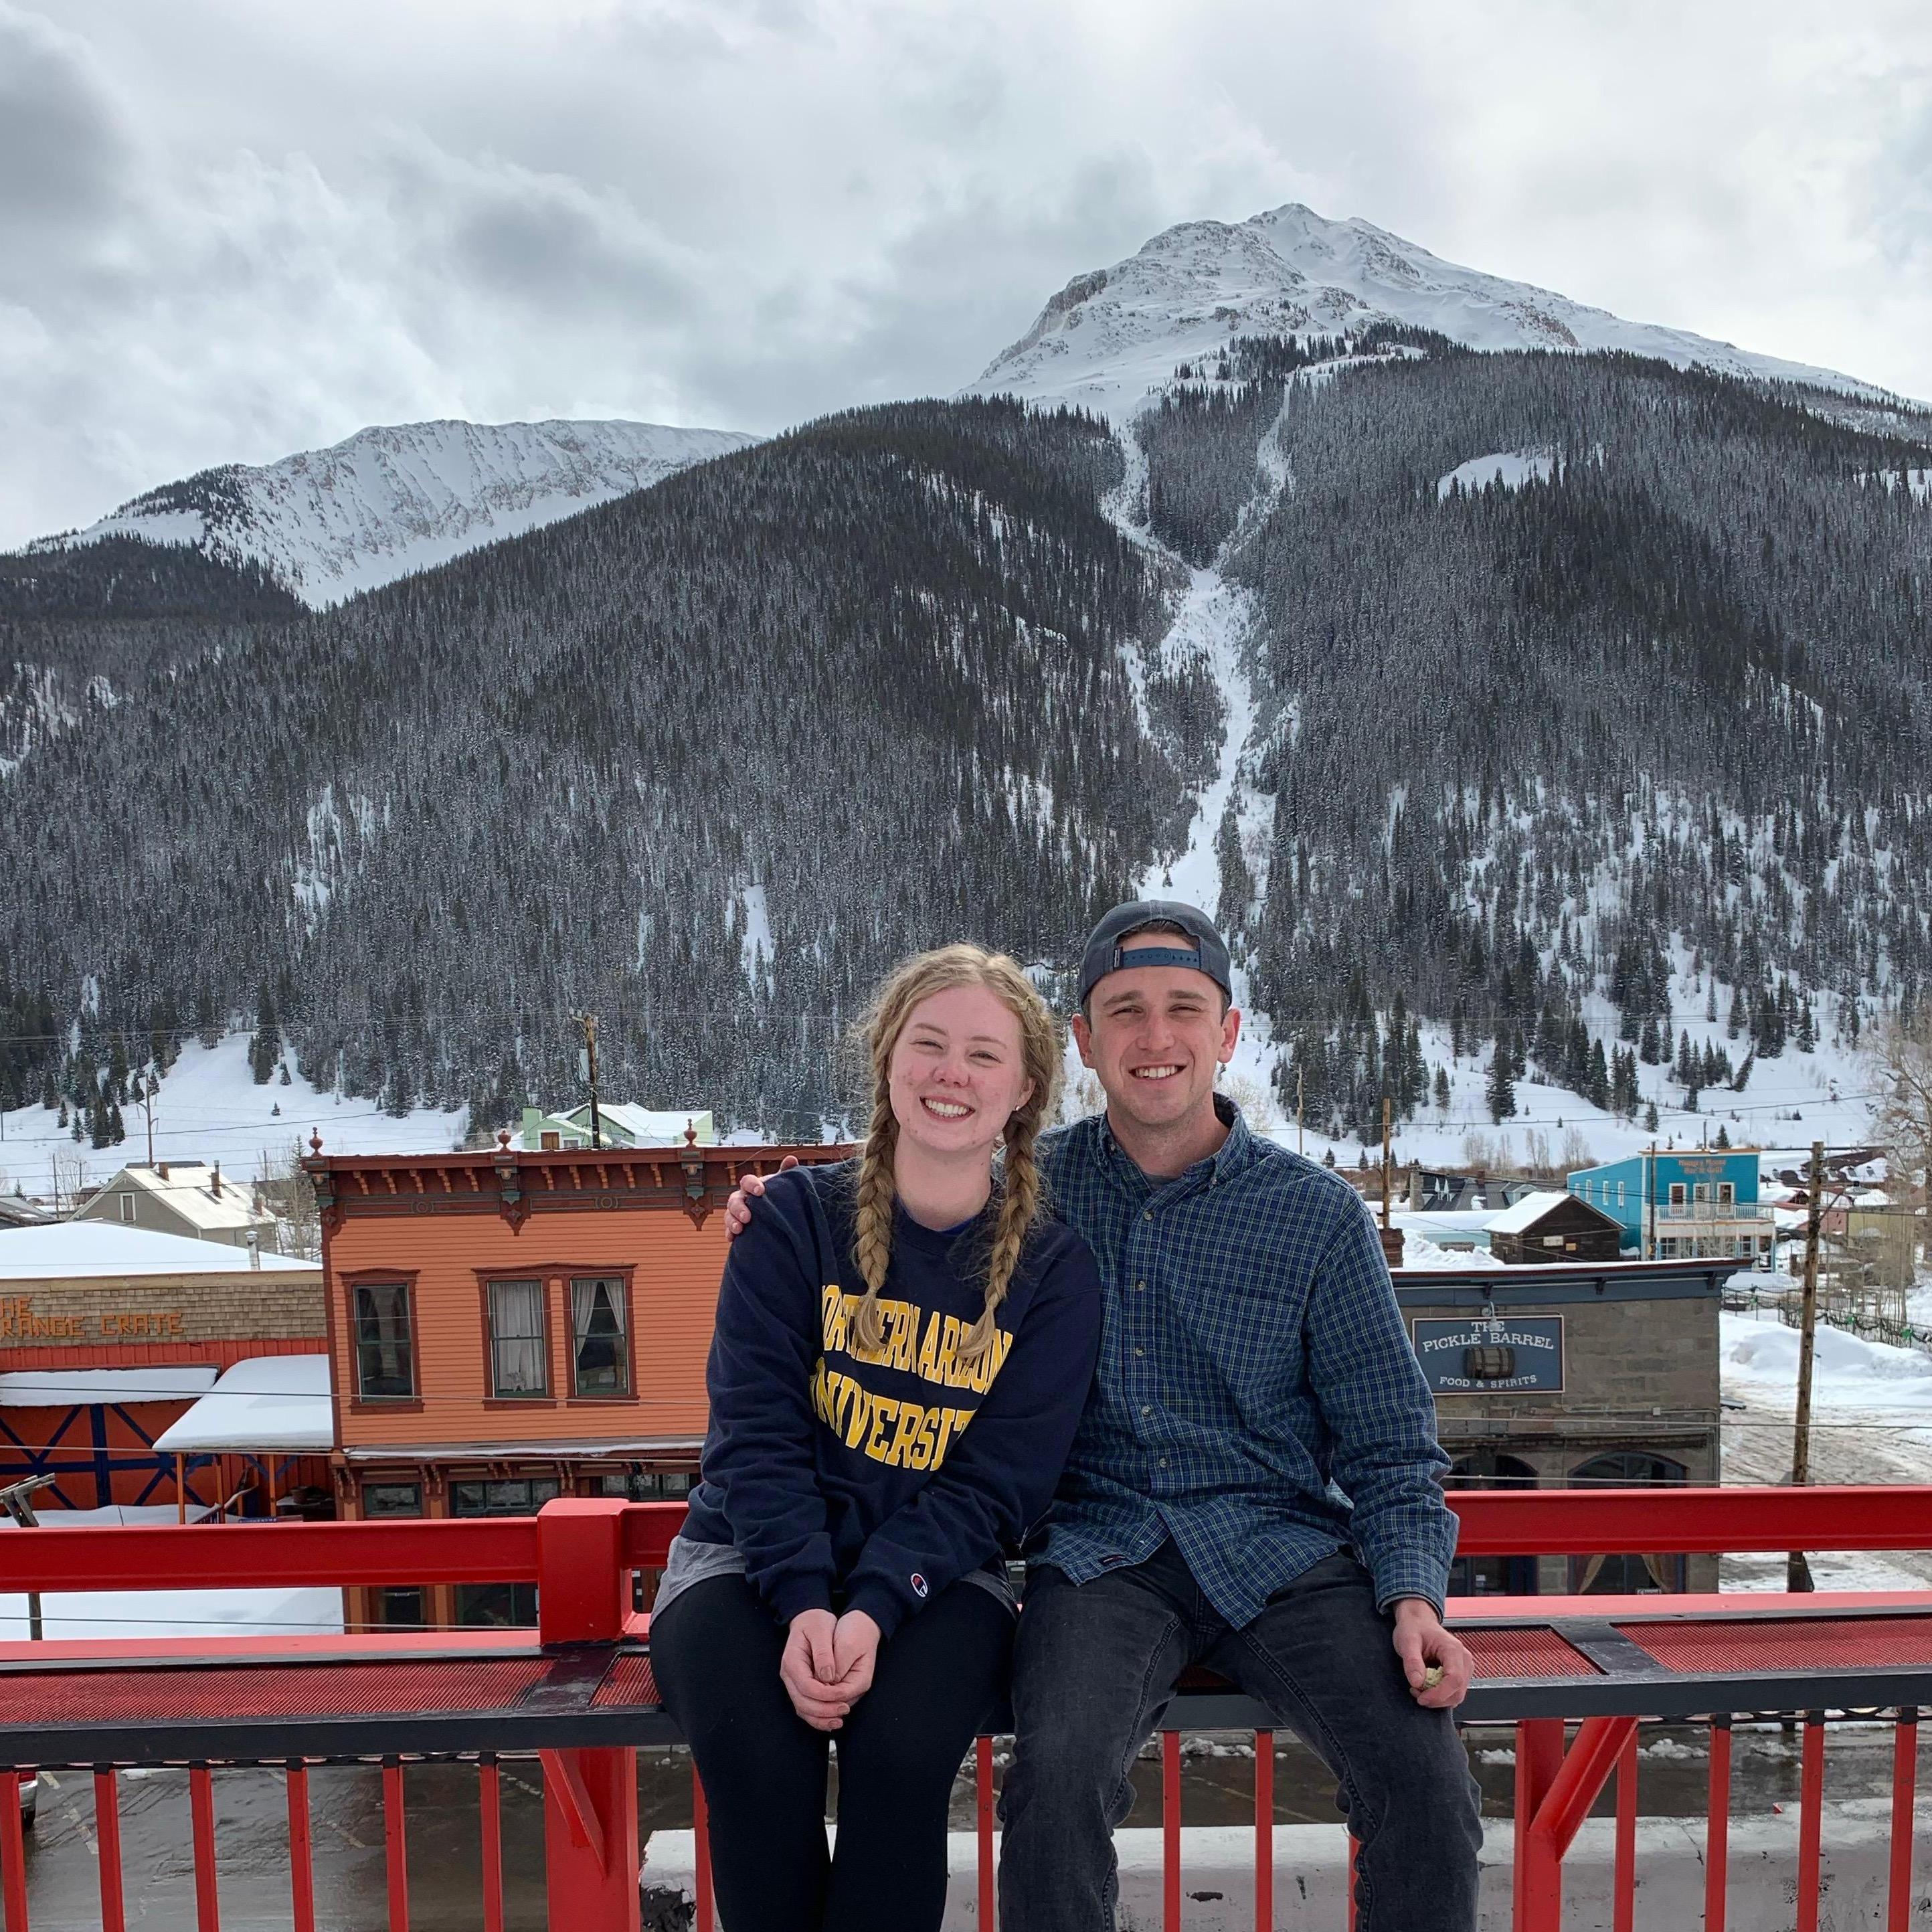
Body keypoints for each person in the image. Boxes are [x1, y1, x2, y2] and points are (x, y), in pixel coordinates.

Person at [728, 901, 1484, 1932]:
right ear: (1083, 1043)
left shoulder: (1318, 1218)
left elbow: (1393, 1443)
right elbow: (909, 1178)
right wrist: (775, 1202)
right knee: (1056, 1785)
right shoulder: (1032, 1198)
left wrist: (1411, 1593)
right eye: (1124, 1010)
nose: (1155, 1036)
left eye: (1185, 1008)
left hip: (1287, 1554)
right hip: (1102, 1558)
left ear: (1229, 1032)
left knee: (1427, 1784)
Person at [650, 943, 1103, 1932]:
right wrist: (806, 1596)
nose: (952, 1072)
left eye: (984, 1056)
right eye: (929, 1043)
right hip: (744, 1553)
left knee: (901, 1756)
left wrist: (873, 1605)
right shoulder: (790, 1224)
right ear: (887, 1060)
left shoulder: (1054, 1272)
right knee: (756, 1752)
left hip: (942, 1574)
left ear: (1024, 1090)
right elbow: (755, 1433)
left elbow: (1002, 1484)